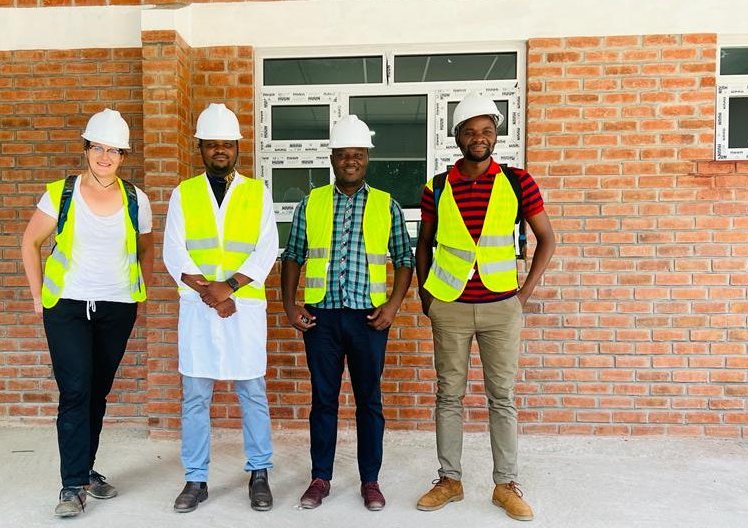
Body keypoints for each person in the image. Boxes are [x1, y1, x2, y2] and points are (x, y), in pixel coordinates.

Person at [414, 92, 556, 521]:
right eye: (470, 131)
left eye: (487, 131)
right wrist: (427, 296)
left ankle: (506, 484)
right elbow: (424, 245)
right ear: (456, 136)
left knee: (502, 397)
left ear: (496, 135)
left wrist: (522, 295)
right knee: (449, 396)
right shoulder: (436, 186)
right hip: (450, 305)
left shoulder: (518, 181)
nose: (479, 138)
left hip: (500, 306)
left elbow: (547, 239)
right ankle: (449, 479)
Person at [20, 108, 153, 517]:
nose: (105, 157)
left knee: (97, 391)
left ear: (123, 155)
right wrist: (37, 296)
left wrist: (139, 296)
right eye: (98, 147)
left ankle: (86, 469)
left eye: (114, 150)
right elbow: (30, 243)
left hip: (116, 307)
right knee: (75, 391)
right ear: (86, 149)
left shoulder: (136, 198)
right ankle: (72, 485)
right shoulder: (61, 193)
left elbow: (146, 249)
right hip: (68, 308)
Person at [280, 115, 414, 511]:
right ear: (333, 158)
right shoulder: (313, 201)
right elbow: (294, 256)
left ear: (367, 157)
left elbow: (405, 259)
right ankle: (320, 477)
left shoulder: (385, 204)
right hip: (321, 318)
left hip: (369, 319)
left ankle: (370, 480)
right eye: (342, 155)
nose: (350, 161)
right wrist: (290, 305)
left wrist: (392, 305)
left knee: (369, 400)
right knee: (323, 400)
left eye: (357, 154)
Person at [162, 103, 279, 513]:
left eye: (226, 144)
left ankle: (259, 473)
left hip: (242, 308)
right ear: (200, 148)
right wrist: (211, 294)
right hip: (199, 309)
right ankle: (196, 479)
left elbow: (265, 251)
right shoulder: (184, 193)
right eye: (211, 144)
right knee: (195, 396)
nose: (219, 151)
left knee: (252, 391)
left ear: (237, 147)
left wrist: (227, 289)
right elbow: (174, 253)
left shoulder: (257, 192)